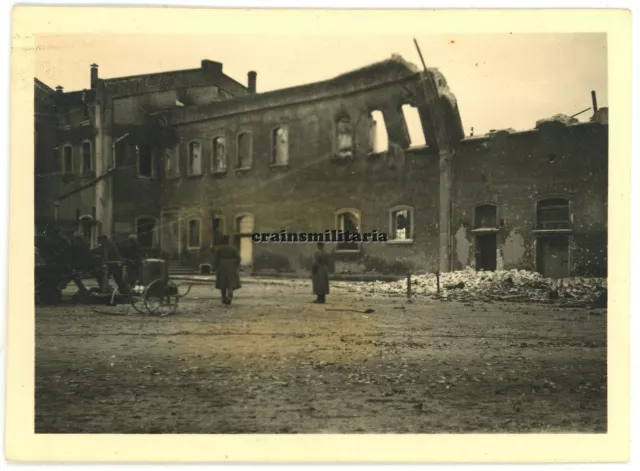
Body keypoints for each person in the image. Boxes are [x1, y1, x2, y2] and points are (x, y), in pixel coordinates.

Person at [212, 235, 241, 305]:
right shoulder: (233, 248)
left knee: (222, 282)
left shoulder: (219, 249)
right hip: (231, 266)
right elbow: (238, 258)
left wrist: (216, 266)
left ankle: (223, 297)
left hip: (222, 265)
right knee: (231, 282)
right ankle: (230, 295)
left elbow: (216, 259)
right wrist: (235, 265)